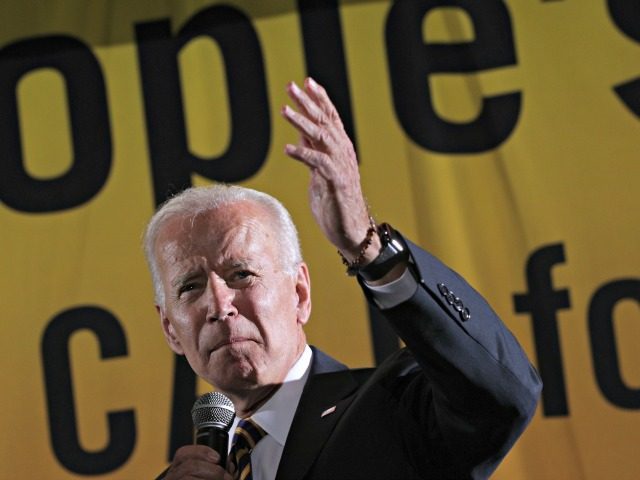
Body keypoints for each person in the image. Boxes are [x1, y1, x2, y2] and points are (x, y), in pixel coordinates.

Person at [144, 78, 542, 480]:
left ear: (299, 293)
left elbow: (503, 395)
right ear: (170, 329)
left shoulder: (394, 411)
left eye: (241, 274)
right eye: (190, 287)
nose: (219, 305)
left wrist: (366, 247)